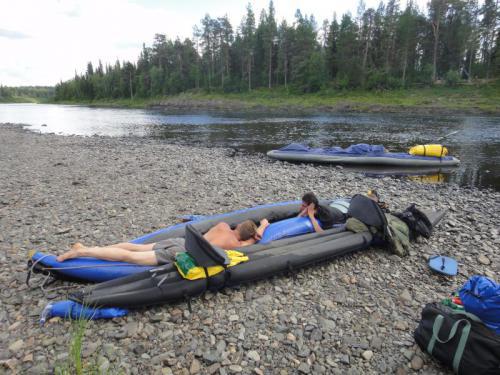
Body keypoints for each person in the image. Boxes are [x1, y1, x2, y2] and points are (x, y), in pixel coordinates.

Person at [56, 219, 269, 266]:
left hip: (182, 241)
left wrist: (254, 226)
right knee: (130, 257)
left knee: (133, 246)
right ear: (245, 236)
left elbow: (245, 231)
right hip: (183, 253)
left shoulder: (222, 226)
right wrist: (264, 226)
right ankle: (79, 253)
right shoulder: (236, 244)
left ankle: (85, 248)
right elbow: (255, 239)